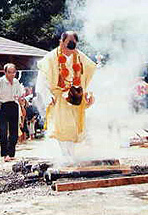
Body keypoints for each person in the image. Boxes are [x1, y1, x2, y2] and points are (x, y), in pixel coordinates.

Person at [37, 31, 97, 162]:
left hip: (76, 97)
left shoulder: (80, 56)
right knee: (61, 127)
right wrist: (47, 96)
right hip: (58, 98)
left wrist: (89, 92)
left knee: (75, 127)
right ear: (61, 42)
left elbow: (91, 75)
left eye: (73, 44)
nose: (70, 47)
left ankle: (71, 154)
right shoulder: (50, 57)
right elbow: (42, 80)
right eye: (68, 43)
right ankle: (65, 155)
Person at [0, 63, 23, 162]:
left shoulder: (16, 82)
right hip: (3, 106)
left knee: (14, 132)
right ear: (5, 72)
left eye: (13, 72)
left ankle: (11, 153)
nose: (12, 75)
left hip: (14, 106)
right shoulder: (0, 81)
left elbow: (20, 96)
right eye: (9, 72)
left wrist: (22, 107)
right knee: (3, 132)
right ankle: (5, 153)